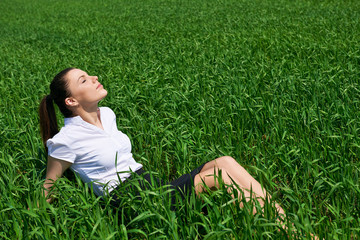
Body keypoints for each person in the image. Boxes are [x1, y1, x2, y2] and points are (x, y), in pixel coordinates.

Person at [38, 68, 286, 217]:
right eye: (83, 80)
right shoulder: (65, 141)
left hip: (151, 185)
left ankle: (290, 227)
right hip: (131, 201)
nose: (94, 77)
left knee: (225, 162)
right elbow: (48, 186)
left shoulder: (108, 114)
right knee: (221, 176)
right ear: (71, 101)